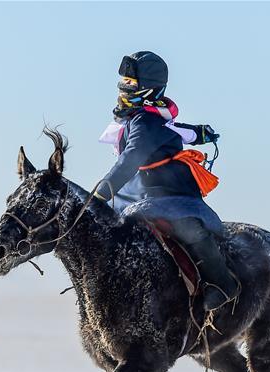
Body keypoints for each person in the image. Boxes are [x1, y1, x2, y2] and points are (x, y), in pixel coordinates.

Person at [94, 51, 238, 311]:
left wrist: (101, 193)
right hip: (146, 190)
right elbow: (176, 131)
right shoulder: (144, 116)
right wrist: (199, 133)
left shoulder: (145, 121)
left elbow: (131, 158)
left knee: (188, 227)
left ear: (149, 89)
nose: (124, 87)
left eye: (131, 83)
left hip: (171, 190)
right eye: (124, 81)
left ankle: (222, 284)